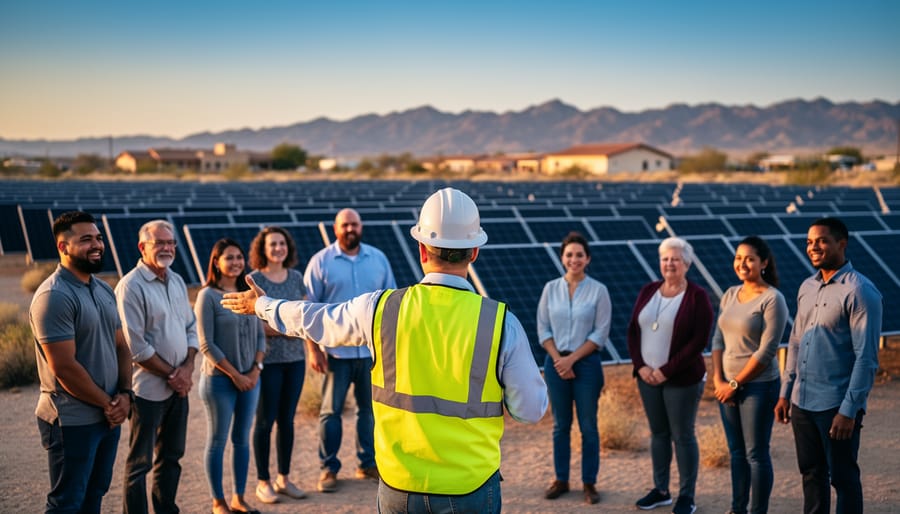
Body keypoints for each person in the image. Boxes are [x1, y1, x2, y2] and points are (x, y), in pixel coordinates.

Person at [221, 187, 548, 513]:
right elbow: (530, 410)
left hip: (399, 486)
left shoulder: (379, 309)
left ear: (421, 249)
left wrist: (263, 305)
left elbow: (317, 319)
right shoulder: (501, 323)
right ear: (474, 252)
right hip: (470, 486)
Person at [775, 217, 882, 514]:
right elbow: (796, 341)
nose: (813, 247)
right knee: (811, 475)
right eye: (809, 242)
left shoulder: (860, 291)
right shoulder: (806, 287)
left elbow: (866, 357)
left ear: (841, 244)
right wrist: (786, 392)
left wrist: (849, 410)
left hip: (835, 405)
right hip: (802, 401)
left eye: (821, 240)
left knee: (844, 479)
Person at [30, 211, 133, 514]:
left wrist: (126, 394)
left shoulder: (102, 289)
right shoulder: (54, 296)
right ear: (63, 247)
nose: (97, 244)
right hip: (71, 419)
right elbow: (65, 368)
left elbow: (121, 345)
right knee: (67, 503)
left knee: (94, 496)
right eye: (86, 239)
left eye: (98, 238)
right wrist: (109, 404)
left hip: (107, 415)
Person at [303, 207, 396, 492]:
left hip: (370, 352)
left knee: (368, 412)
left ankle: (366, 463)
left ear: (361, 226)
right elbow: (308, 309)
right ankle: (328, 468)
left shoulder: (378, 259)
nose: (349, 229)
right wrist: (313, 350)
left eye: (354, 224)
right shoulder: (321, 262)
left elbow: (388, 303)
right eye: (344, 225)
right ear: (335, 229)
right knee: (330, 412)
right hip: (336, 353)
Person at [116, 219, 199, 514]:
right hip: (147, 390)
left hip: (180, 387)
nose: (167, 248)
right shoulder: (130, 287)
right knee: (140, 463)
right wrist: (172, 375)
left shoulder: (175, 279)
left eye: (170, 242)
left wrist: (187, 368)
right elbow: (136, 347)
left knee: (172, 456)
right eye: (159, 243)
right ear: (142, 247)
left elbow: (191, 328)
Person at [627, 237, 713, 514]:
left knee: (683, 435)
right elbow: (632, 331)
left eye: (675, 259)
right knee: (658, 434)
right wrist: (641, 366)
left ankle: (687, 495)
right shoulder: (649, 290)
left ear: (687, 263)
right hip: (646, 378)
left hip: (681, 380)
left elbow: (699, 341)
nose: (669, 263)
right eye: (665, 258)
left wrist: (665, 370)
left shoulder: (697, 296)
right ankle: (661, 490)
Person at [711, 236, 789, 514]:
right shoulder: (730, 293)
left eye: (750, 259)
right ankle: (737, 508)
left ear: (764, 263)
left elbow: (767, 350)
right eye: (738, 258)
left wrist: (735, 383)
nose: (742, 263)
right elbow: (717, 339)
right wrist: (718, 379)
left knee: (756, 454)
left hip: (758, 386)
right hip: (727, 386)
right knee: (736, 453)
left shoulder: (772, 299)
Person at [537, 231, 611, 505]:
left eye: (579, 254)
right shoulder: (550, 289)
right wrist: (559, 359)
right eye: (569, 254)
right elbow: (542, 329)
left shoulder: (599, 291)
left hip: (587, 365)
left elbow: (600, 333)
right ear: (562, 258)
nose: (574, 259)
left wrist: (571, 360)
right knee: (560, 426)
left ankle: (589, 483)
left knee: (589, 426)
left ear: (587, 258)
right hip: (554, 362)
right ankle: (561, 479)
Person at [195, 239, 267, 514]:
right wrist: (236, 375)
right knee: (217, 440)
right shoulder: (207, 296)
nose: (236, 262)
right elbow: (206, 344)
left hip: (251, 380)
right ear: (216, 262)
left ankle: (239, 498)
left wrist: (254, 370)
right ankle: (219, 502)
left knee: (241, 440)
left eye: (239, 257)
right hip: (219, 382)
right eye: (229, 258)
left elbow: (261, 336)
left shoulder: (248, 294)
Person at [247, 227, 308, 504]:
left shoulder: (296, 278)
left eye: (282, 243)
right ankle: (263, 482)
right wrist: (288, 325)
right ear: (263, 248)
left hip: (295, 361)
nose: (278, 248)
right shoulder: (254, 280)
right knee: (265, 421)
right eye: (272, 244)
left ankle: (283, 478)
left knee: (287, 421)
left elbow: (305, 319)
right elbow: (256, 325)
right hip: (267, 362)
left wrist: (280, 324)